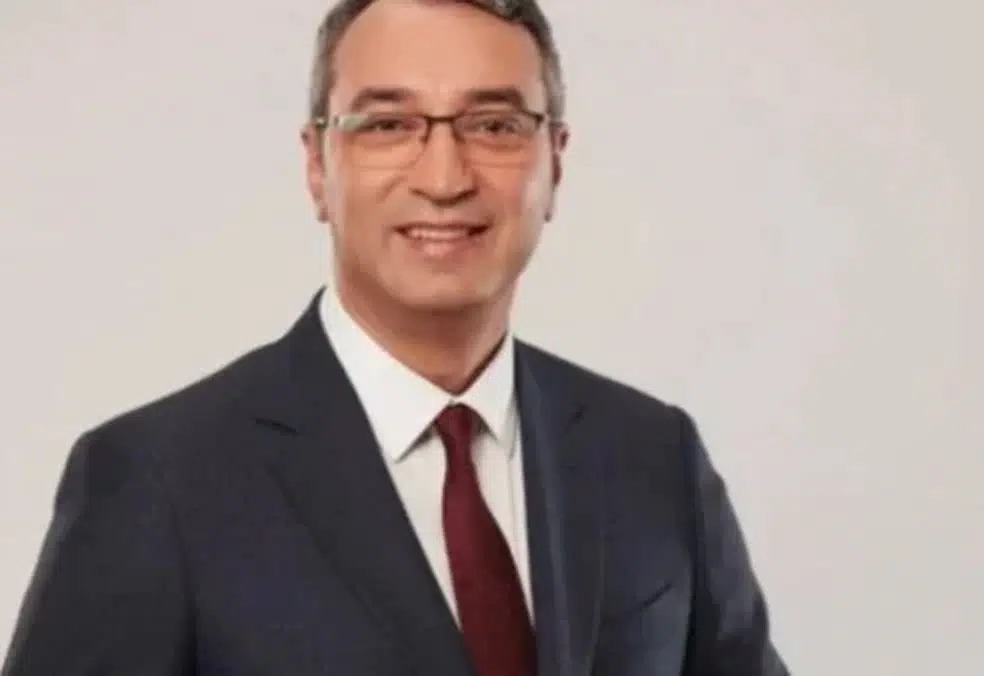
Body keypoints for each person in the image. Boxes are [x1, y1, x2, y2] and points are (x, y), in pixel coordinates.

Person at [1, 0, 788, 674]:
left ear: (555, 161)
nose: (444, 178)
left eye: (494, 125)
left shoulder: (654, 457)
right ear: (318, 166)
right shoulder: (154, 480)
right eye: (387, 125)